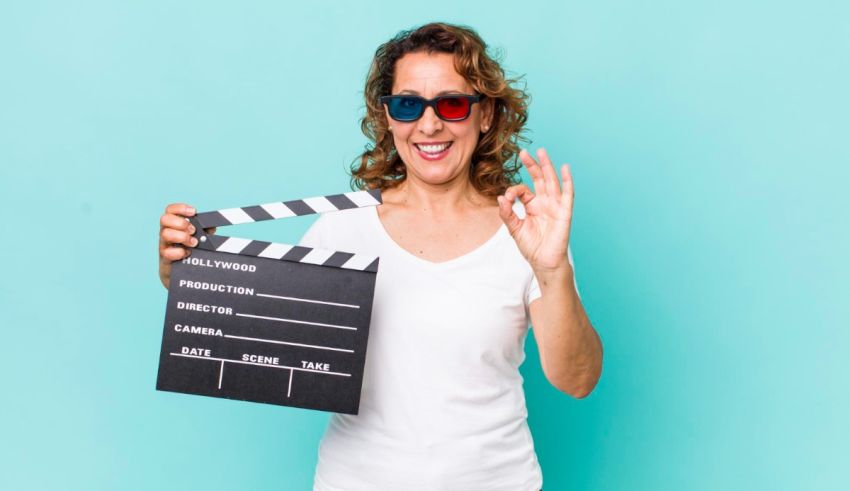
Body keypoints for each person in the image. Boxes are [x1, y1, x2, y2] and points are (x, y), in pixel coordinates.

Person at [158, 22, 603, 491]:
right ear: (388, 117)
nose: (429, 125)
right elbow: (256, 335)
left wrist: (553, 271)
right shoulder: (342, 228)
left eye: (451, 104)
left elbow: (577, 379)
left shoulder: (528, 232)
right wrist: (188, 271)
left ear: (485, 114)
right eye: (408, 104)